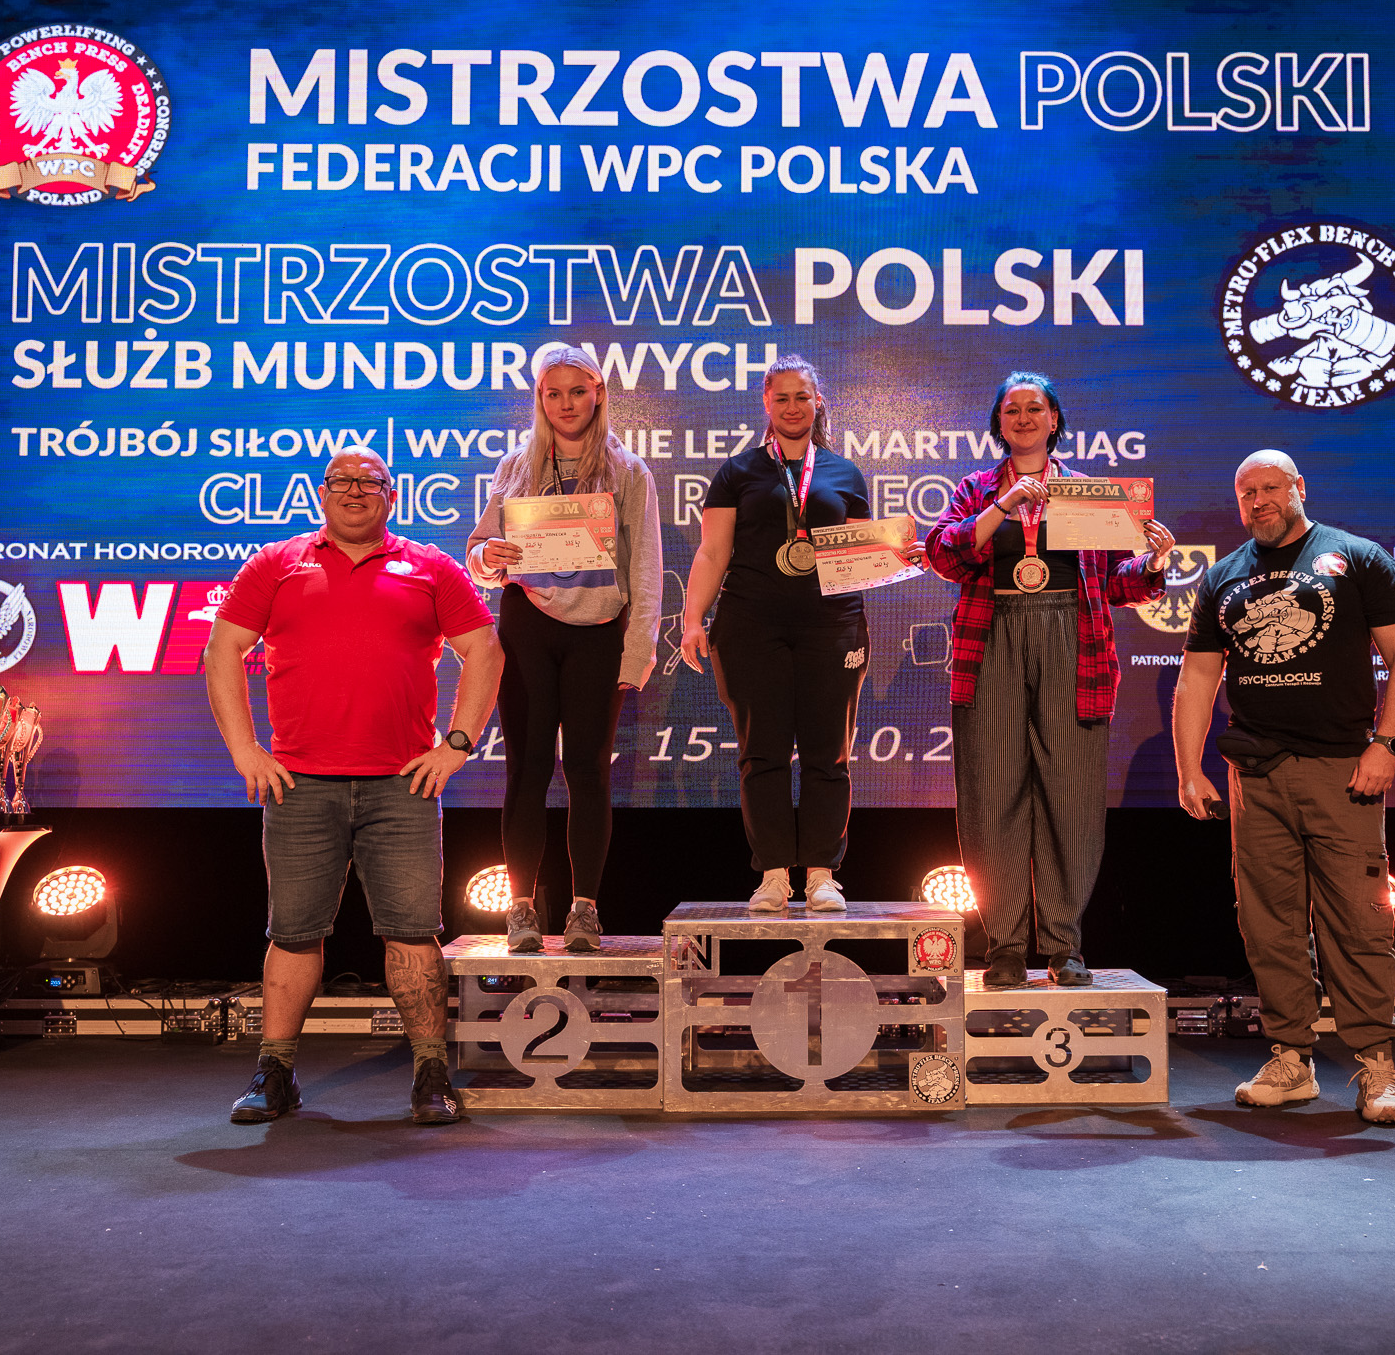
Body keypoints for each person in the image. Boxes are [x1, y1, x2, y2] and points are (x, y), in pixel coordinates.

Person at [205, 445, 503, 1127]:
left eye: (370, 482)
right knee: (293, 934)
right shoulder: (276, 563)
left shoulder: (430, 566)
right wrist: (244, 750)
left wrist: (457, 745)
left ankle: (431, 1074)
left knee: (413, 934)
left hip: (401, 787)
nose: (355, 491)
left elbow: (484, 649)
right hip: (301, 785)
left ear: (391, 496)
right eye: (341, 481)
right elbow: (223, 649)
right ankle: (275, 1072)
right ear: (322, 493)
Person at [1172, 449, 1395, 1126]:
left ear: (1298, 488)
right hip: (1254, 775)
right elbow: (1198, 676)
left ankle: (1376, 1066)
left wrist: (1387, 745)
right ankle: (1291, 1059)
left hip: (1343, 768)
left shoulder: (1357, 557)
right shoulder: (1224, 575)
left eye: (1269, 488)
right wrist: (1189, 768)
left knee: (1359, 920)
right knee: (1268, 924)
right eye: (1245, 493)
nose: (1257, 501)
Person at [925, 372, 1173, 988]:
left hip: (1072, 642)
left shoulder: (1089, 492)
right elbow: (946, 555)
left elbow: (1116, 583)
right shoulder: (977, 489)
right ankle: (1006, 946)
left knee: (1072, 798)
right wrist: (1004, 506)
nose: (1023, 418)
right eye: (1011, 409)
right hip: (994, 639)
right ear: (999, 422)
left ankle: (1065, 945)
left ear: (1054, 419)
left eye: (1035, 408)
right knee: (994, 797)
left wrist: (1154, 561)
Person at [679, 354, 921, 911]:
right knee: (761, 753)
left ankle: (820, 874)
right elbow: (713, 553)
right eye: (781, 398)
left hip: (832, 626)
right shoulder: (737, 472)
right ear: (766, 404)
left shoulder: (844, 473)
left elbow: (862, 553)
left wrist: (898, 554)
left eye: (802, 397)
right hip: (750, 625)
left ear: (818, 403)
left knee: (828, 754)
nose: (792, 407)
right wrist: (692, 620)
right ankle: (771, 875)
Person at [466, 346, 662, 953]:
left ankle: (584, 910)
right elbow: (478, 553)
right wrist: (488, 557)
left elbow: (647, 567)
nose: (566, 404)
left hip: (599, 631)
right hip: (528, 624)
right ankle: (521, 909)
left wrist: (639, 649)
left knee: (587, 771)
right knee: (527, 768)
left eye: (578, 391)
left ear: (598, 393)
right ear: (540, 399)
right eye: (554, 394)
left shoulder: (628, 470)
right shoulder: (517, 465)